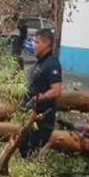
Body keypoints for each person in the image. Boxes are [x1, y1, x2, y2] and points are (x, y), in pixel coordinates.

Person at [18, 28, 62, 158]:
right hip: (30, 116)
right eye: (34, 42)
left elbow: (56, 90)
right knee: (23, 148)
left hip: (42, 121)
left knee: (32, 153)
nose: (33, 45)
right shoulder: (39, 62)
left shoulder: (52, 64)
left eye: (37, 42)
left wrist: (39, 98)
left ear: (47, 43)